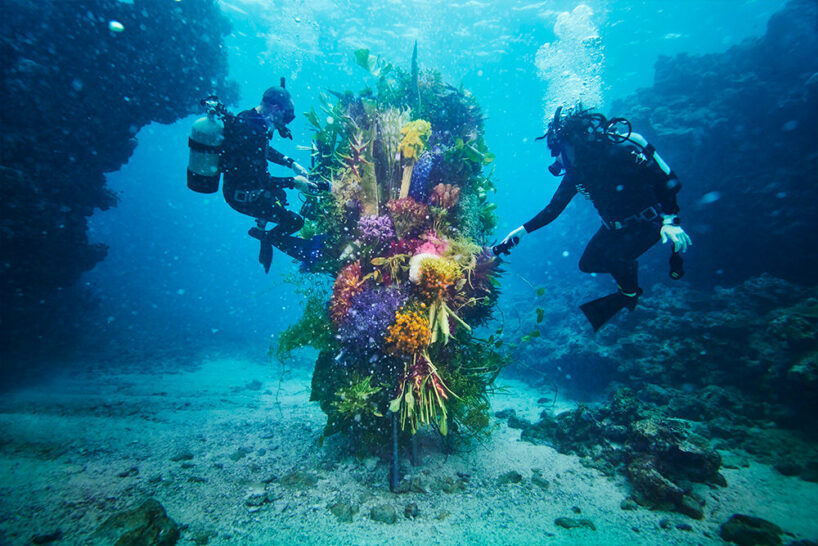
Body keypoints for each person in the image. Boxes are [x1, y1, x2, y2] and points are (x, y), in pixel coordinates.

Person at [494, 105, 692, 331]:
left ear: (571, 144)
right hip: (614, 227)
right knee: (587, 264)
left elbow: (669, 180)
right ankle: (628, 285)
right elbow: (553, 209)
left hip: (647, 223)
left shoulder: (622, 149)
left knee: (614, 259)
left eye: (556, 151)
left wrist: (671, 221)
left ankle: (628, 293)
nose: (556, 160)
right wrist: (519, 232)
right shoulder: (576, 172)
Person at [219, 80, 324, 272]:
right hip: (242, 196)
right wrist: (294, 182)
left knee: (280, 197)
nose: (285, 124)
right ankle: (269, 238)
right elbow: (259, 180)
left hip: (244, 188)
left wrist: (290, 162)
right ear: (276, 107)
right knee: (294, 221)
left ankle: (263, 232)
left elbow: (262, 150)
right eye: (287, 117)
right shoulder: (253, 128)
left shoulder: (250, 119)